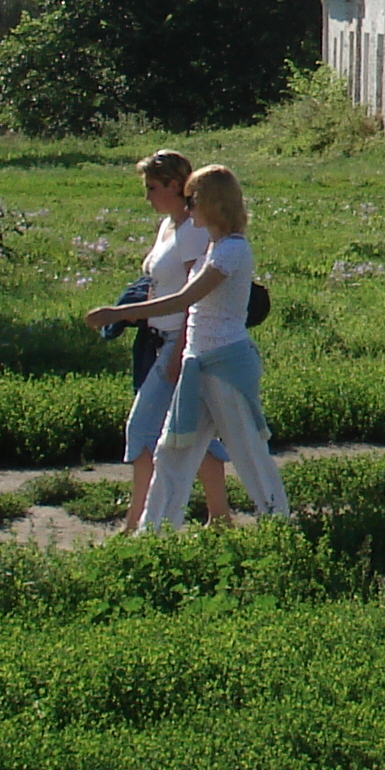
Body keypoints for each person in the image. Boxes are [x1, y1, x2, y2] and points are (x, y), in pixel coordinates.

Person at [84, 164, 290, 529]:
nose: (187, 205)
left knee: (248, 451)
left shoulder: (231, 251)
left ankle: (280, 526)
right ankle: (155, 533)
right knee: (173, 450)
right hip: (198, 363)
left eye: (193, 200)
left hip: (226, 365)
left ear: (210, 203)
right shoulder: (212, 246)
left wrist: (118, 312)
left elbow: (183, 300)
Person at [103, 150, 232, 535]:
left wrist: (179, 354)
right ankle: (220, 516)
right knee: (192, 429)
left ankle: (137, 523)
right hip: (156, 338)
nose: (148, 196)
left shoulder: (193, 231)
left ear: (175, 186)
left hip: (178, 342)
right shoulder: (169, 226)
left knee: (142, 430)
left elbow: (195, 295)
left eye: (153, 188)